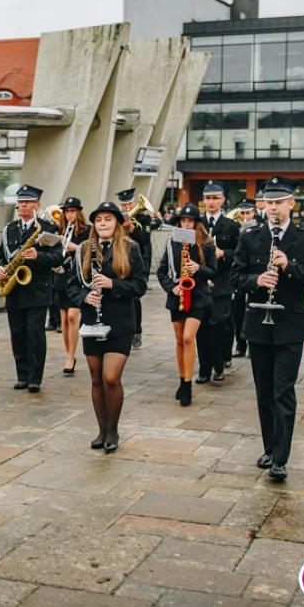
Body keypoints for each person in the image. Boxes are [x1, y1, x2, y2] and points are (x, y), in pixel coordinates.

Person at [231, 176, 304, 481]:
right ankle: (269, 447)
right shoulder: (250, 237)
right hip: (258, 322)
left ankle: (280, 458)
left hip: (290, 324)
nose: (273, 207)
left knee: (283, 390)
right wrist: (256, 280)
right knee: (263, 392)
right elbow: (235, 277)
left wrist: (289, 266)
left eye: (279, 202)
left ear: (290, 204)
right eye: (269, 202)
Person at [68, 202, 147, 452]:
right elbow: (70, 286)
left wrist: (113, 285)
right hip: (92, 321)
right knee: (95, 379)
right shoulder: (83, 250)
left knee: (110, 378)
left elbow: (140, 286)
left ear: (117, 223)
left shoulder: (131, 248)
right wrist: (84, 297)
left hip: (121, 321)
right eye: (99, 219)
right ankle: (101, 430)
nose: (103, 223)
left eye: (108, 219)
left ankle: (113, 430)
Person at [0, 185, 63, 393]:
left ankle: (35, 378)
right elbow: (0, 256)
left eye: (28, 201)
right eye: (21, 201)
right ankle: (22, 375)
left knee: (35, 334)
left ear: (37, 205)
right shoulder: (9, 229)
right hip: (15, 289)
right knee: (17, 333)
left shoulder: (48, 228)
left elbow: (59, 257)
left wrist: (38, 256)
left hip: (37, 290)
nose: (23, 205)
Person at [157, 203, 216, 407]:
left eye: (190, 221)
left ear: (196, 223)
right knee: (179, 340)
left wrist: (197, 267)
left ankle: (189, 382)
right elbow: (162, 271)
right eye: (184, 220)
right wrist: (171, 287)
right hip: (177, 295)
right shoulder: (172, 242)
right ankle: (182, 380)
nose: (187, 223)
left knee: (188, 337)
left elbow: (213, 272)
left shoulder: (207, 243)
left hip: (198, 295)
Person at [196, 182, 240, 383]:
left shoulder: (231, 225)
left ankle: (219, 364)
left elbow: (240, 253)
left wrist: (224, 254)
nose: (211, 202)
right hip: (200, 282)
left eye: (215, 198)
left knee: (219, 325)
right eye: (208, 198)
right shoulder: (197, 224)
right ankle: (204, 369)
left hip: (222, 282)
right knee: (202, 327)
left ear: (222, 200)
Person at [54, 197, 91, 375]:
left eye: (72, 211)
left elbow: (91, 252)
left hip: (79, 277)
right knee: (63, 319)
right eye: (67, 211)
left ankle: (71, 356)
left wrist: (74, 247)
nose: (69, 214)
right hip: (61, 276)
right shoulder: (59, 230)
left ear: (79, 212)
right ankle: (69, 354)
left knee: (72, 316)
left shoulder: (87, 230)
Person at [119, 188, 158, 349]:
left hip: (139, 260)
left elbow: (144, 239)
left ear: (134, 203)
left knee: (135, 297)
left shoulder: (144, 218)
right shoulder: (117, 218)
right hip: (121, 259)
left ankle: (137, 331)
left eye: (129, 204)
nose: (127, 208)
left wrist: (131, 228)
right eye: (124, 205)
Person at [231, 199, 257, 359]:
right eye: (243, 213)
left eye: (248, 212)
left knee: (253, 312)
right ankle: (240, 345)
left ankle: (252, 345)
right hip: (239, 273)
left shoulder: (259, 227)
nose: (245, 216)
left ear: (253, 212)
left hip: (252, 274)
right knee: (237, 313)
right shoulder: (234, 227)